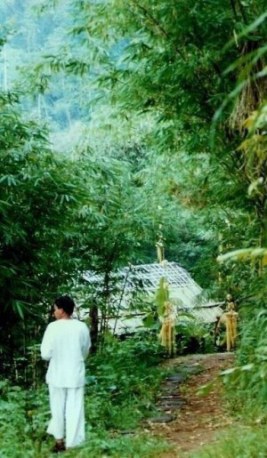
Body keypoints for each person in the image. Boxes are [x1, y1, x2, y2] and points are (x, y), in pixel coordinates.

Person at [41, 295, 91, 453]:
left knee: (56, 407)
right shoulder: (81, 327)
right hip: (75, 372)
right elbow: (85, 350)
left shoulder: (52, 327)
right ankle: (73, 445)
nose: (54, 312)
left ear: (61, 310)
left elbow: (45, 354)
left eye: (55, 309)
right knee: (75, 407)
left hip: (57, 374)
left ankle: (59, 441)